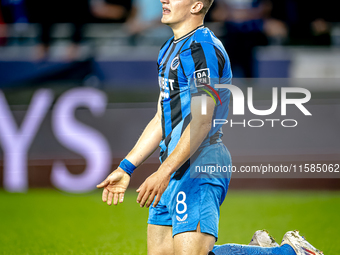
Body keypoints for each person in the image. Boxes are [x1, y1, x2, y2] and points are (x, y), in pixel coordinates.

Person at [97, 0, 323, 254]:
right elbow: (161, 116)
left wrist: (163, 173)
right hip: (173, 166)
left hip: (200, 163)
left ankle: (289, 253)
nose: (164, 0)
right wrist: (126, 167)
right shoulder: (168, 49)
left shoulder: (202, 49)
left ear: (196, 6)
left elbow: (202, 121)